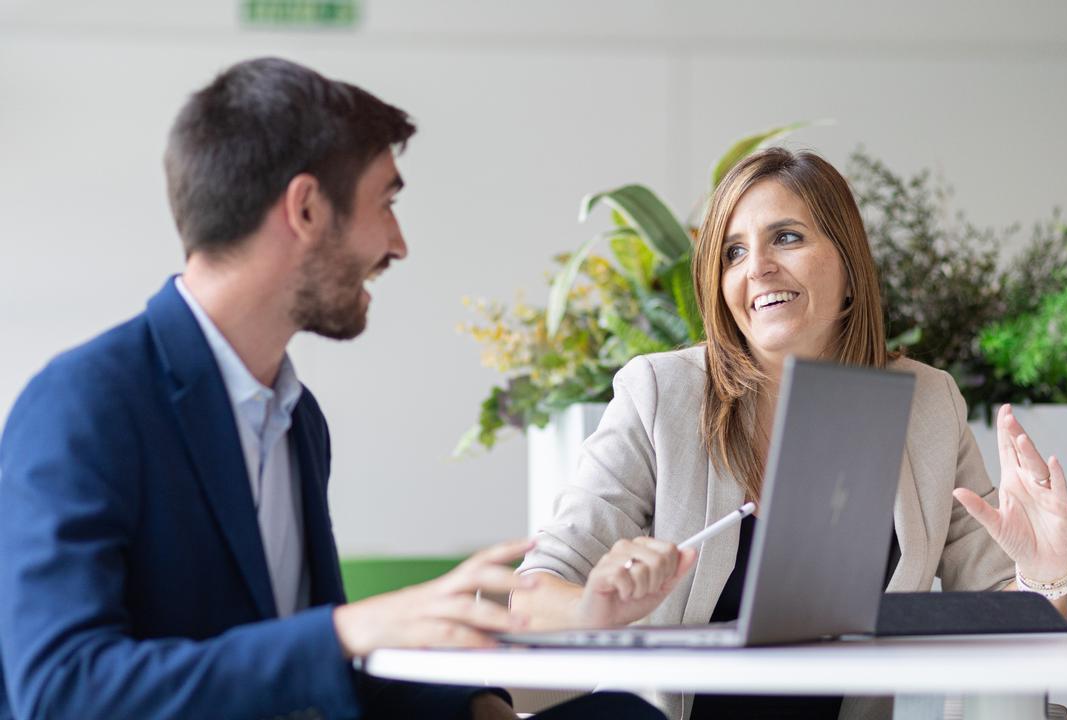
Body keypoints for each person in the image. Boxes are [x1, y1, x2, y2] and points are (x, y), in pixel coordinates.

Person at [0, 57, 664, 720]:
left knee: (622, 716)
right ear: (308, 208)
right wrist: (347, 630)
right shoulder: (81, 405)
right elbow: (60, 691)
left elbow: (327, 669)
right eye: (386, 202)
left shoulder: (297, 420)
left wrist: (482, 712)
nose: (398, 244)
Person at [512, 148, 1067, 720]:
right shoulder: (659, 393)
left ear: (849, 264)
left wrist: (1045, 572)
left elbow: (1005, 626)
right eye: (734, 252)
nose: (757, 267)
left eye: (786, 238)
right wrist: (595, 606)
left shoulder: (927, 403)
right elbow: (531, 597)